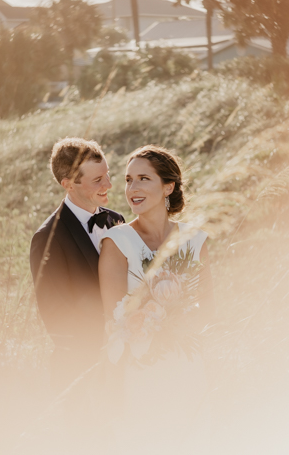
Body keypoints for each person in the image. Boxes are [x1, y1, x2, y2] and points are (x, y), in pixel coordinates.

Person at [99, 145, 214, 452]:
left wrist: (178, 327)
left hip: (188, 365)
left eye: (143, 179)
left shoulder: (195, 239)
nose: (132, 188)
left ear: (168, 186)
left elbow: (209, 307)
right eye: (127, 180)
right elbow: (112, 319)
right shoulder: (116, 242)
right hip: (139, 370)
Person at [30, 137, 125, 393]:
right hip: (80, 369)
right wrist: (102, 349)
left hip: (123, 361)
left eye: (107, 175)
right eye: (97, 180)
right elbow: (56, 316)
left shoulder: (117, 221)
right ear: (68, 184)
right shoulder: (48, 238)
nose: (109, 185)